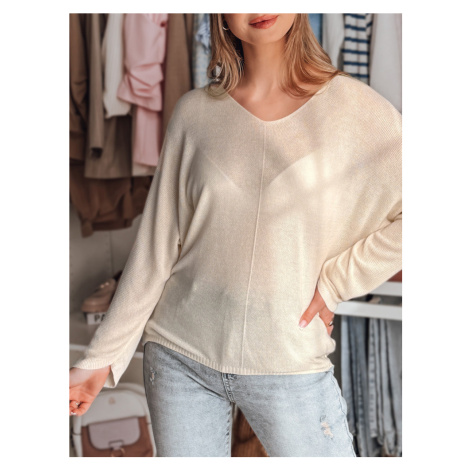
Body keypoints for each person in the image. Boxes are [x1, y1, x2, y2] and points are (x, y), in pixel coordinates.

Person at [69, 13, 402, 457]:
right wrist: (99, 360)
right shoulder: (194, 114)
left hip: (287, 363)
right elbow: (155, 249)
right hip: (178, 356)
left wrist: (336, 281)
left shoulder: (353, 108)